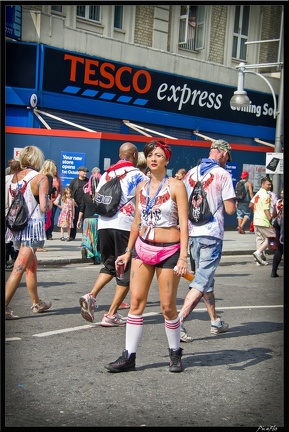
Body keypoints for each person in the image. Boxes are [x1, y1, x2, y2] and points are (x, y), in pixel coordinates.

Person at [105, 139, 189, 373]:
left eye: (159, 155)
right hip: (142, 248)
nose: (153, 159)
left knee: (167, 307)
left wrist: (183, 257)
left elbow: (184, 224)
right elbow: (136, 222)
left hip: (169, 251)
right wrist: (127, 251)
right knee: (136, 302)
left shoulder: (176, 186)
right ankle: (129, 356)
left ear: (167, 159)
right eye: (150, 155)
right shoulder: (141, 186)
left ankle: (175, 353)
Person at [79, 142, 148, 325]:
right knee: (125, 272)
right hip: (125, 226)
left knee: (110, 265)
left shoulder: (106, 174)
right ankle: (111, 314)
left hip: (104, 224)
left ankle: (91, 295)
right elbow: (144, 203)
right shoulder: (138, 175)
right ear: (134, 155)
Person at [178, 139, 236, 342]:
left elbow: (182, 203)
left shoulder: (190, 173)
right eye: (227, 156)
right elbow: (230, 209)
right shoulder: (223, 174)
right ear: (220, 152)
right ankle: (178, 322)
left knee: (203, 280)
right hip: (212, 233)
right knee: (202, 280)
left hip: (193, 233)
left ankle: (215, 321)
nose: (227, 160)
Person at [5, 145, 53, 320]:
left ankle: (36, 302)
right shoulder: (41, 178)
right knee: (19, 267)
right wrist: (50, 200)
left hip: (17, 227)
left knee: (30, 266)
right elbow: (43, 206)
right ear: (36, 160)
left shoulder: (13, 177)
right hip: (32, 229)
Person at [249, 177, 276, 266]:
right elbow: (266, 210)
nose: (270, 186)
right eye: (268, 184)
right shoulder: (265, 195)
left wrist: (257, 212)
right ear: (263, 184)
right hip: (264, 221)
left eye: (270, 184)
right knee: (272, 236)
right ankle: (258, 252)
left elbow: (251, 205)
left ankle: (259, 260)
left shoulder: (258, 194)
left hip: (256, 220)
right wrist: (271, 220)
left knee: (259, 239)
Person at [77, 168, 101, 265]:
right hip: (97, 219)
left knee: (88, 238)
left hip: (87, 219)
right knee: (96, 239)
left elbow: (82, 208)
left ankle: (87, 250)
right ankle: (97, 256)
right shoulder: (101, 195)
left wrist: (79, 220)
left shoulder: (86, 194)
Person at [38, 159, 57, 251]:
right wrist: (54, 189)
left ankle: (38, 244)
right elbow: (48, 191)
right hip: (46, 202)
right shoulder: (49, 177)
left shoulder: (40, 176)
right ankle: (39, 245)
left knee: (41, 223)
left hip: (38, 202)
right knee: (46, 223)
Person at [5, 160, 21, 268]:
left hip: (6, 209)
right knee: (14, 236)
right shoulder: (20, 180)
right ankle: (15, 259)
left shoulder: (6, 179)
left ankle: (6, 260)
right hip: (15, 211)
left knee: (7, 236)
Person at [69, 166, 89, 240]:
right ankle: (72, 236)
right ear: (79, 172)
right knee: (74, 220)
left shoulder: (88, 181)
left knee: (85, 221)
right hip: (76, 204)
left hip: (86, 205)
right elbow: (69, 192)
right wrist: (72, 201)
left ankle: (85, 236)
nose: (85, 173)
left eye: (86, 172)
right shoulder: (74, 181)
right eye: (84, 171)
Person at [45, 163, 62, 240]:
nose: (55, 171)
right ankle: (44, 233)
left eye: (56, 169)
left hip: (54, 201)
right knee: (46, 217)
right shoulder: (47, 178)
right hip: (48, 200)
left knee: (51, 217)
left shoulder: (58, 179)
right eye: (54, 169)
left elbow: (60, 190)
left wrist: (57, 199)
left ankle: (49, 234)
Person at [271, 193, 283, 278]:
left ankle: (273, 271)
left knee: (279, 250)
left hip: (278, 227)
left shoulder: (279, 202)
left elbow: (274, 215)